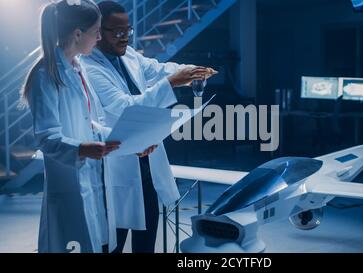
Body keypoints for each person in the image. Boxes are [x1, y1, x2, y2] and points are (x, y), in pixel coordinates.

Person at [81, 1, 217, 253]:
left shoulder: (129, 55)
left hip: (146, 161)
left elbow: (159, 69)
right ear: (98, 32)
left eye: (128, 30)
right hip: (116, 165)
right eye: (117, 32)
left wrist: (191, 72)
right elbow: (124, 106)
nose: (124, 38)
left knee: (146, 243)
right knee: (113, 244)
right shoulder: (89, 67)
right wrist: (172, 83)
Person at [21, 0, 121, 253]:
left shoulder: (78, 69)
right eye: (96, 31)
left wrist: (125, 139)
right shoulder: (45, 75)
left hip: (91, 178)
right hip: (69, 182)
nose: (99, 37)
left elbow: (88, 123)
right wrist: (82, 149)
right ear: (77, 33)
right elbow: (47, 137)